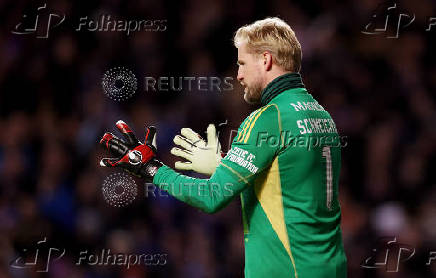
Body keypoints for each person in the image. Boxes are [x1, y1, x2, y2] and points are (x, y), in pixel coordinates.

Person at [99, 17, 347, 278]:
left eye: (242, 64)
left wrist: (151, 169)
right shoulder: (320, 115)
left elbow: (212, 197)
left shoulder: (268, 118)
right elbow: (289, 184)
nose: (238, 75)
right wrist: (224, 165)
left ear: (265, 60)